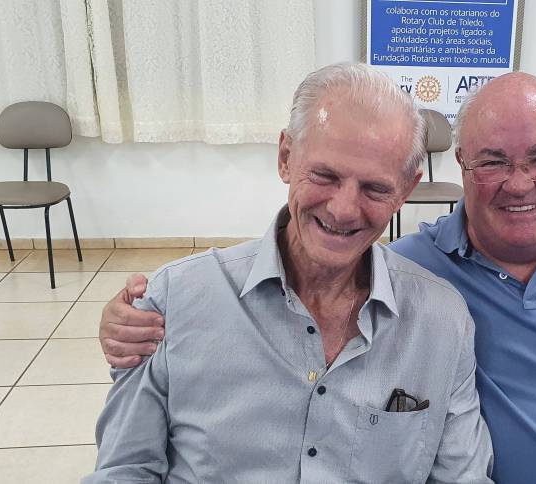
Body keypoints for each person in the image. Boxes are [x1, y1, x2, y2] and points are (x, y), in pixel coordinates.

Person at [99, 71, 536, 482]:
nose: (518, 183)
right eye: (492, 161)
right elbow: (125, 467)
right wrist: (133, 317)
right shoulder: (418, 276)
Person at [84, 62, 493, 483]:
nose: (343, 209)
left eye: (375, 188)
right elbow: (125, 469)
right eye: (325, 175)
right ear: (285, 158)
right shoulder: (175, 299)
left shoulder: (441, 322)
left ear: (405, 190)